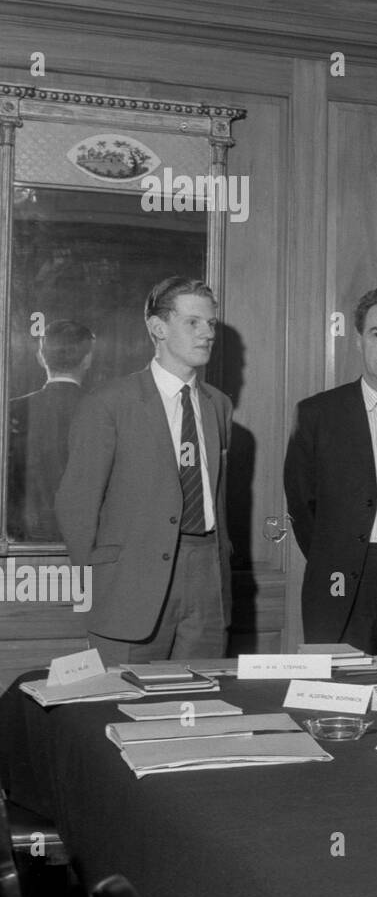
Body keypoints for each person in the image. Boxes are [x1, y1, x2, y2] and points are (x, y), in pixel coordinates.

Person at [55, 277, 232, 663]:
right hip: (130, 589)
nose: (207, 334)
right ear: (158, 328)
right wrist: (104, 581)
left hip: (206, 579)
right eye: (193, 322)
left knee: (198, 707)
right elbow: (76, 505)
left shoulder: (218, 405)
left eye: (211, 324)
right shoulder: (109, 403)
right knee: (123, 708)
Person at [284, 284, 377, 664]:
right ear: (358, 341)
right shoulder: (317, 415)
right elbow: (303, 507)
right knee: (342, 697)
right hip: (340, 577)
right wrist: (338, 553)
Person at [7, 319, 95, 541]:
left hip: (24, 541)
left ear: (40, 358)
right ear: (87, 360)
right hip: (89, 540)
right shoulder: (105, 411)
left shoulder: (11, 410)